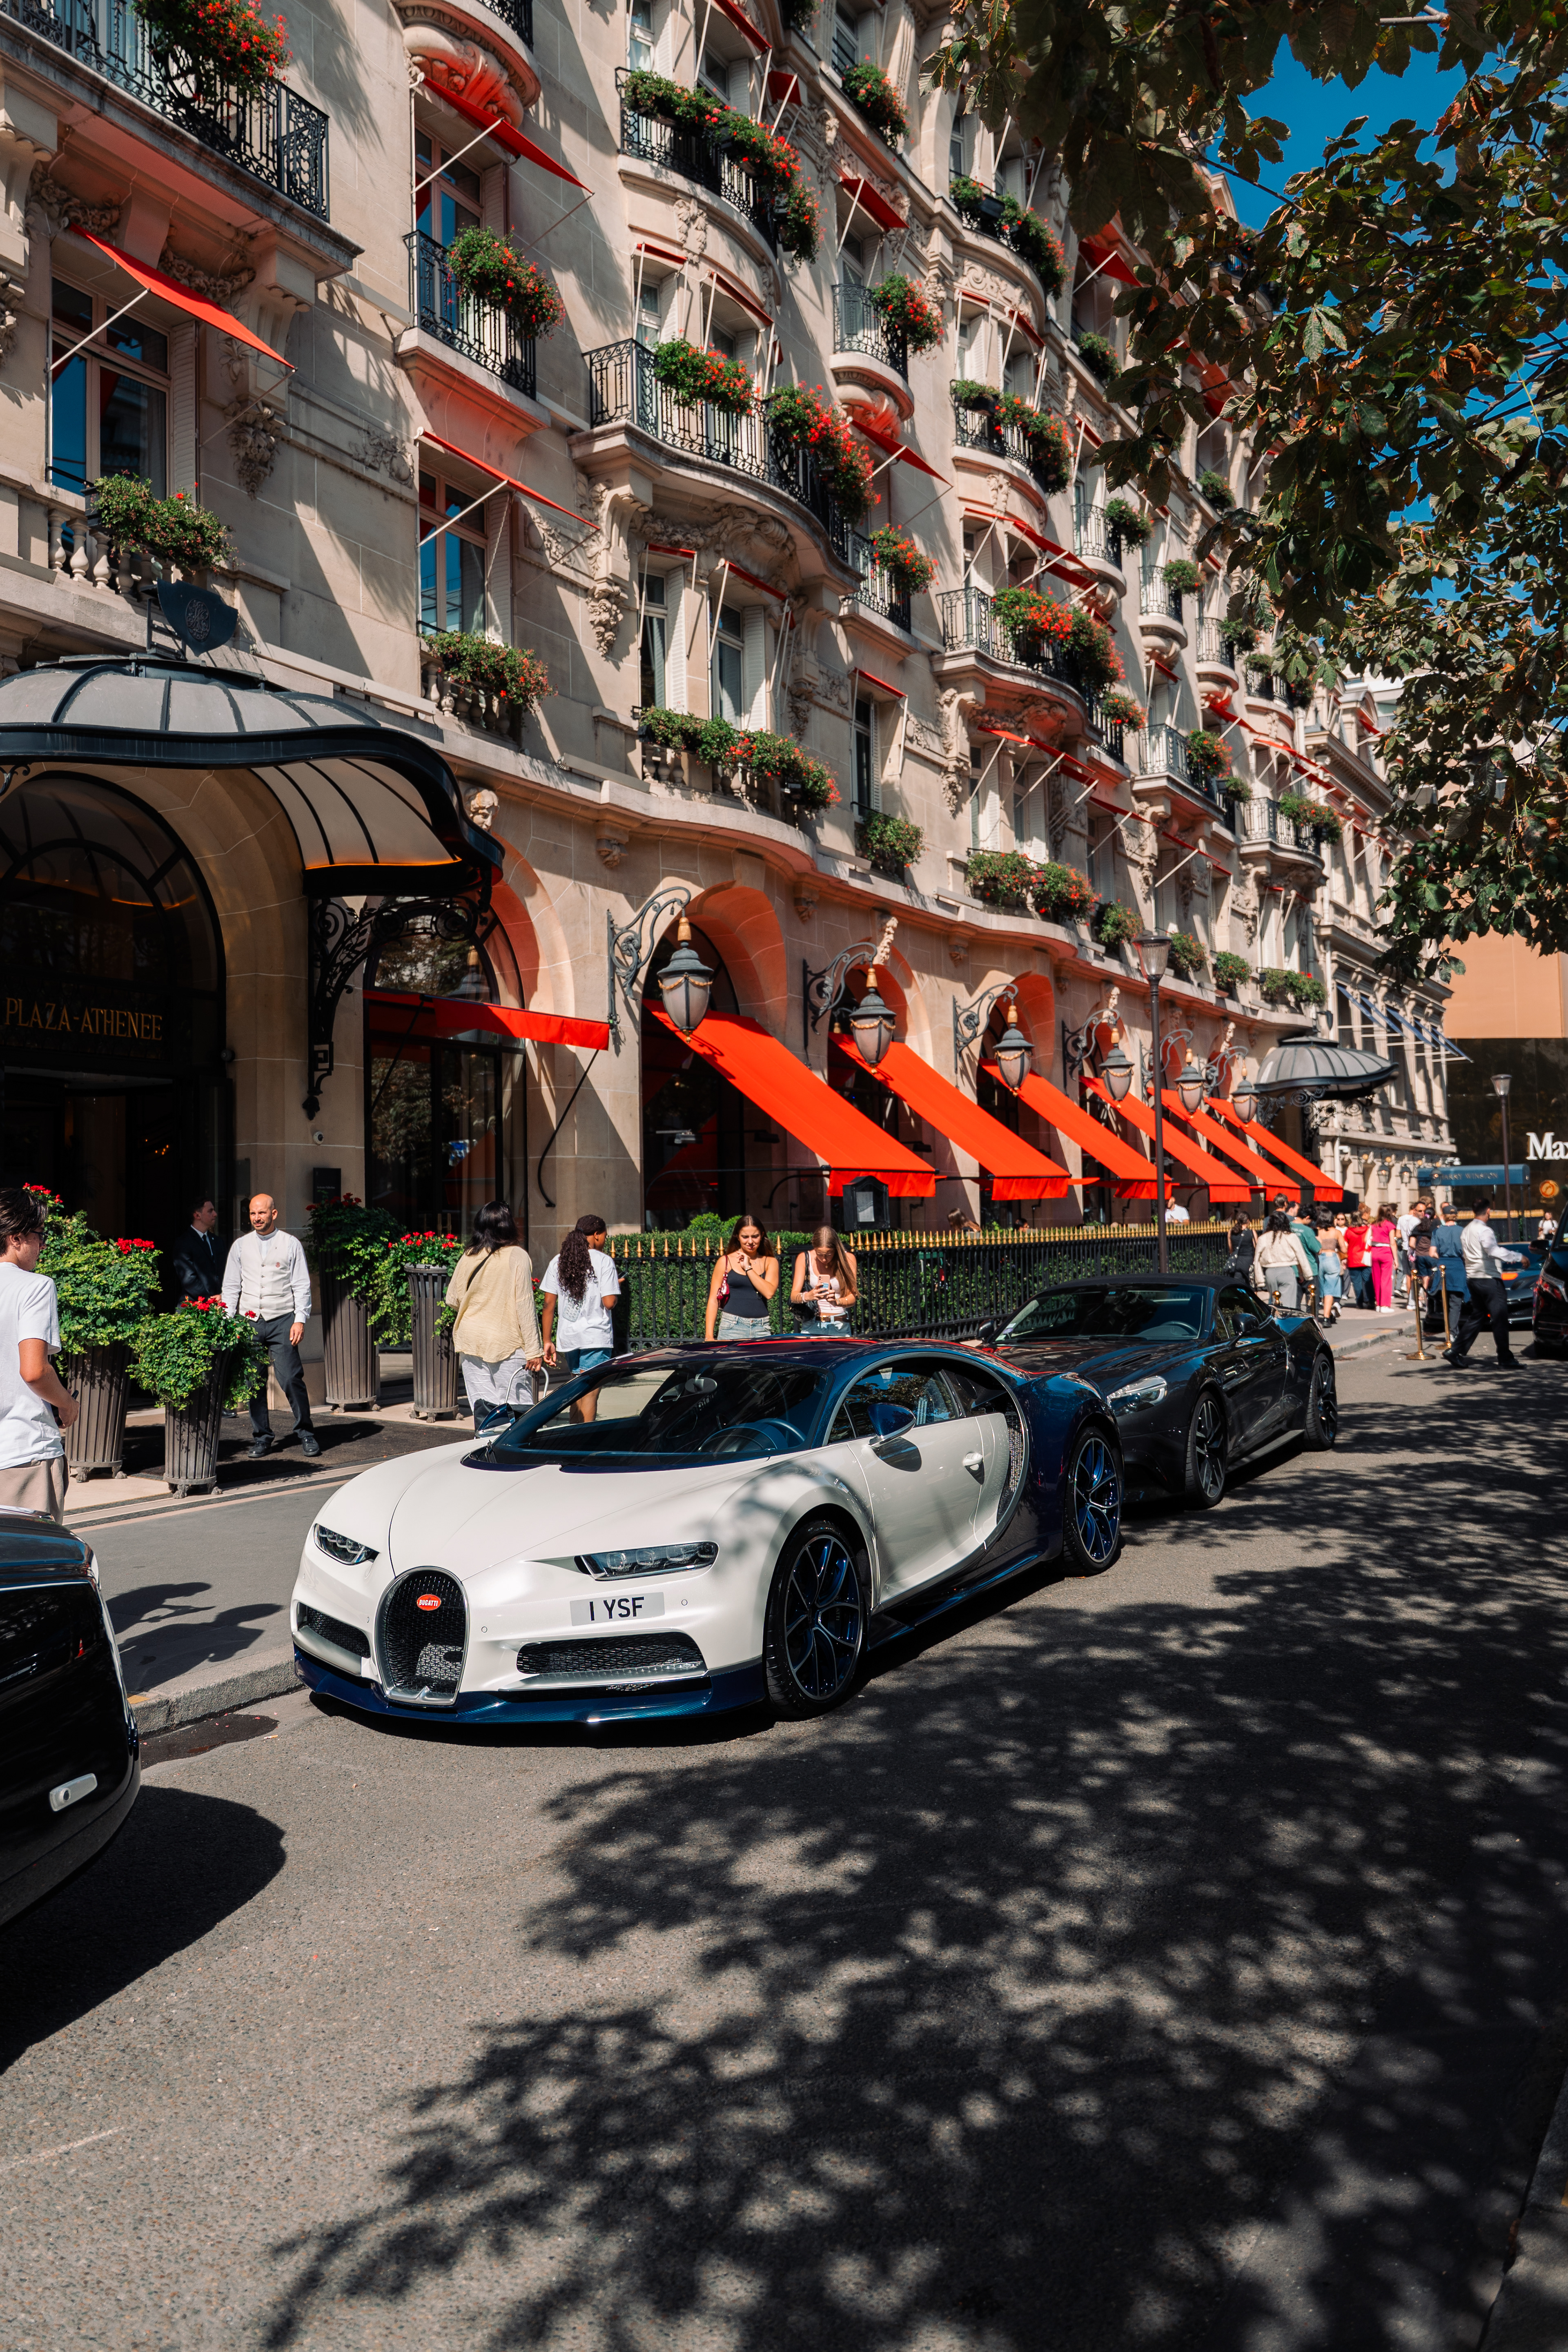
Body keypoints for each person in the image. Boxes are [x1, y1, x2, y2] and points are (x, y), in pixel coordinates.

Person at [0, 1186, 78, 1521]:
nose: (43, 1244)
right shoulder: (34, 1286)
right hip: (24, 1449)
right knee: (33, 1567)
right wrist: (67, 1404)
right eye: (39, 1234)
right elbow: (33, 1370)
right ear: (16, 1238)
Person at [221, 1193, 319, 1459]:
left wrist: (300, 1319)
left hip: (282, 1319)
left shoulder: (291, 1244)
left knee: (290, 1378)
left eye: (262, 1213)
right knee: (253, 1382)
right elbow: (231, 1287)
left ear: (273, 1214)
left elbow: (301, 1285)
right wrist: (230, 1323)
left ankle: (306, 1433)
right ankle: (262, 1437)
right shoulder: (240, 1246)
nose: (257, 1218)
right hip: (249, 1322)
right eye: (253, 1214)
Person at [445, 1200, 544, 1429]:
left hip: (471, 1340)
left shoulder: (469, 1255)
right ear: (507, 1225)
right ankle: (516, 1461)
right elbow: (525, 1306)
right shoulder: (517, 1256)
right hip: (506, 1342)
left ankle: (487, 1456)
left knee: (484, 1409)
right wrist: (534, 1351)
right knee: (517, 1411)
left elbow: (453, 1299)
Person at [540, 1214, 621, 1421]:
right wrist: (614, 1287)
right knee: (590, 1395)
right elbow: (609, 1303)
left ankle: (572, 1440)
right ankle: (584, 1445)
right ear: (596, 1235)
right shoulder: (604, 1261)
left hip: (570, 1339)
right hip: (595, 1337)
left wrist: (547, 1340)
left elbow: (549, 1304)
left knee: (577, 1394)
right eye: (604, 1236)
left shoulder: (558, 1261)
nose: (605, 1240)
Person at [1445, 1197, 1526, 1368]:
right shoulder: (1485, 1230)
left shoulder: (1466, 1230)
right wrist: (1518, 1257)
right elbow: (1493, 1250)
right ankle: (1505, 1358)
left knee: (1478, 1316)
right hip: (1489, 1279)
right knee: (1500, 1318)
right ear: (1488, 1211)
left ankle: (1456, 1350)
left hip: (1473, 1278)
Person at [704, 1215, 780, 1341]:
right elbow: (713, 1299)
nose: (750, 1242)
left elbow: (769, 1293)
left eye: (755, 1236)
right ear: (737, 1237)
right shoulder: (725, 1261)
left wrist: (748, 1268)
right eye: (745, 1237)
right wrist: (709, 1336)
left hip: (761, 1328)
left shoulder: (770, 1262)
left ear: (762, 1235)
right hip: (732, 1327)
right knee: (731, 1362)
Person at [791, 1226, 858, 1333]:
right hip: (812, 1325)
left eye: (829, 1254)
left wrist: (836, 1302)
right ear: (814, 1247)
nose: (824, 1259)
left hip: (840, 1325)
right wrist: (809, 1296)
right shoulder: (804, 1258)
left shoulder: (848, 1259)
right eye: (819, 1254)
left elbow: (852, 1298)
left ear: (836, 1249)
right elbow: (794, 1296)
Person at [1252, 1207, 1316, 1316]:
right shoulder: (1291, 1237)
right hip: (1286, 1271)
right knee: (1288, 1306)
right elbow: (1301, 1256)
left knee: (1274, 1303)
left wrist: (1260, 1280)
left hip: (1270, 1273)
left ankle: (1277, 1323)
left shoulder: (1263, 1238)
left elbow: (1256, 1260)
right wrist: (1305, 1274)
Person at [170, 1197, 223, 1304]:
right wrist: (210, 1301)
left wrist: (223, 1296)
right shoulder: (184, 1243)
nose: (215, 1214)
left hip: (219, 1305)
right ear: (197, 1215)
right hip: (194, 1307)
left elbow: (225, 1272)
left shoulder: (218, 1242)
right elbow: (189, 1279)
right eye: (210, 1211)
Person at [1429, 1203, 1470, 1339]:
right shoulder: (1463, 1231)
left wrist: (1442, 1256)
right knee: (1456, 1303)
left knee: (1445, 1302)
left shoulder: (1437, 1231)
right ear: (1456, 1216)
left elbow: (1432, 1253)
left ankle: (1451, 1331)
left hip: (1443, 1267)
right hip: (1458, 1267)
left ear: (1444, 1216)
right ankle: (1452, 1333)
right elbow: (1466, 1253)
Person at [1315, 1213, 1344, 1325]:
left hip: (1319, 1259)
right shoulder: (1337, 1232)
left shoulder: (1317, 1231)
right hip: (1332, 1258)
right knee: (1330, 1290)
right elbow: (1344, 1249)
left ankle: (1330, 1313)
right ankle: (1327, 1317)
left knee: (1322, 1288)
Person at [1343, 1209, 1373, 1310]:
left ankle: (1359, 1302)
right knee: (1368, 1281)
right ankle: (1371, 1301)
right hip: (1366, 1258)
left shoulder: (1348, 1231)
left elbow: (1345, 1246)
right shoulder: (1368, 1230)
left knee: (1356, 1283)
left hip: (1353, 1259)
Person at [1368, 1206, 1397, 1310]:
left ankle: (1379, 1304)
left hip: (1375, 1252)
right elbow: (1393, 1243)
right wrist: (1396, 1260)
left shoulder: (1373, 1225)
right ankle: (1385, 1305)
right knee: (1386, 1280)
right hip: (1386, 1252)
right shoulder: (1390, 1226)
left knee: (1377, 1279)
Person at [1225, 1214, 1256, 1283]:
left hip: (1237, 1263)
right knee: (1252, 1287)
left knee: (1238, 1285)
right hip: (1249, 1262)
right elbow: (1256, 1248)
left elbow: (1231, 1250)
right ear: (1248, 1221)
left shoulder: (1231, 1232)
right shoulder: (1251, 1232)